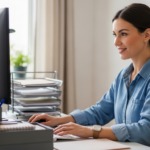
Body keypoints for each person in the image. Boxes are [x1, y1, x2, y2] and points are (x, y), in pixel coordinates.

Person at [29, 3, 150, 146]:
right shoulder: (124, 75)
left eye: (123, 34)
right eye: (114, 34)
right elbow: (101, 111)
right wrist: (59, 120)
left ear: (147, 35)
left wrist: (92, 131)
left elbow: (146, 129)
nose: (116, 42)